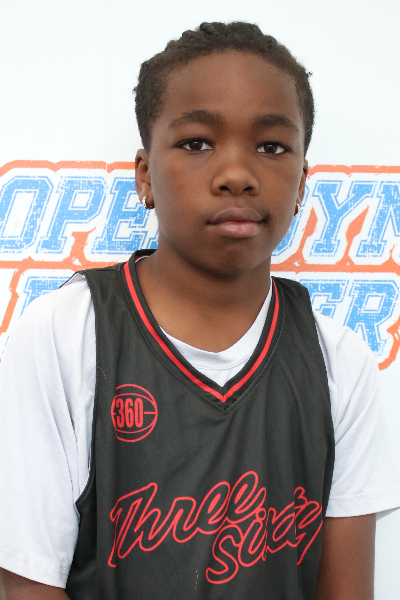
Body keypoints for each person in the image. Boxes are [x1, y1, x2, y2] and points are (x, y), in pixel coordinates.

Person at [0, 21, 399, 600]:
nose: (236, 175)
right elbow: (24, 585)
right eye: (196, 144)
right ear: (145, 176)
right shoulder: (65, 333)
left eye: (271, 147)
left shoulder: (338, 360)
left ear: (302, 184)